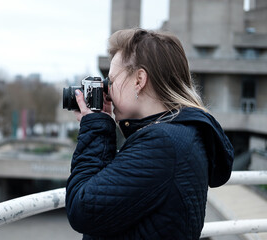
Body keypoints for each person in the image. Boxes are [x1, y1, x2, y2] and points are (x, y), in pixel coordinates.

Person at [65, 28, 234, 240]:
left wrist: (96, 128)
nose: (107, 90)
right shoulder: (183, 133)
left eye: (111, 80)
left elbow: (82, 208)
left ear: (139, 80)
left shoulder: (163, 144)